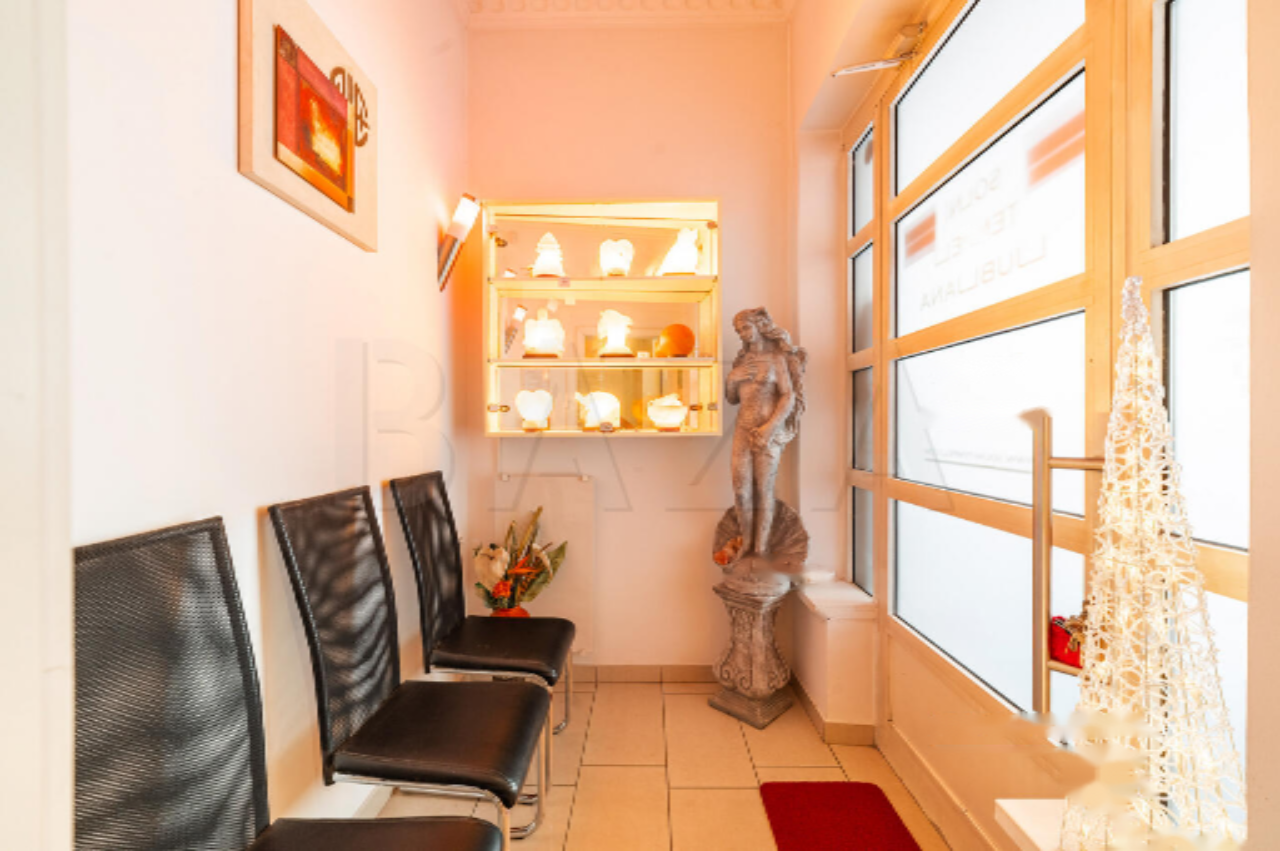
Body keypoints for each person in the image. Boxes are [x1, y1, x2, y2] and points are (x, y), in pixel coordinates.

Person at [724, 307, 807, 559]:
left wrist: (770, 428)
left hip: (768, 430)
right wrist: (732, 379)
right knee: (741, 490)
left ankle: (760, 549)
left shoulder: (776, 359)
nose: (743, 334)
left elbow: (788, 395)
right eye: (739, 331)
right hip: (743, 427)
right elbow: (732, 399)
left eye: (746, 328)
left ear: (760, 326)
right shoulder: (742, 361)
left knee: (763, 490)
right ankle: (746, 544)